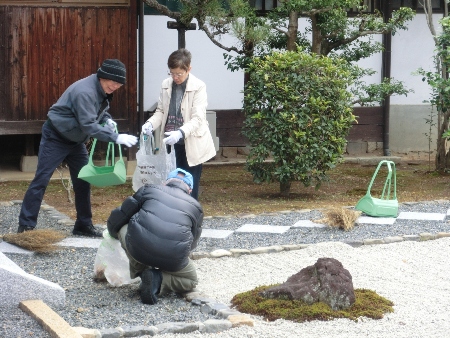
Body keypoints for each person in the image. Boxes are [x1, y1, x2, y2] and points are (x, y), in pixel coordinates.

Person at [18, 59, 138, 237]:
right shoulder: (85, 91)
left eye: (119, 83)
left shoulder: (100, 89)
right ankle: (26, 227)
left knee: (83, 180)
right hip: (56, 136)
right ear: (102, 77)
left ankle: (83, 225)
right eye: (113, 82)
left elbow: (98, 112)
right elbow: (89, 125)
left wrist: (107, 120)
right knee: (41, 180)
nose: (115, 86)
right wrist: (116, 137)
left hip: (76, 140)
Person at [107, 168, 203, 305]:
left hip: (139, 249)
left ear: (165, 183)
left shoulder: (149, 189)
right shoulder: (196, 208)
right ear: (190, 191)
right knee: (191, 280)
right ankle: (157, 279)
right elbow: (193, 242)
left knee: (123, 227)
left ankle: (142, 271)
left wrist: (112, 232)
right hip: (173, 256)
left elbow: (121, 214)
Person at [141, 49, 216, 200]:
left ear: (189, 69)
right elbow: (161, 111)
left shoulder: (199, 86)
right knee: (171, 184)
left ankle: (190, 219)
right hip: (170, 142)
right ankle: (174, 219)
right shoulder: (166, 84)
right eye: (171, 73)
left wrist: (180, 132)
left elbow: (198, 118)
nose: (175, 77)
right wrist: (149, 124)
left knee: (189, 186)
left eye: (179, 74)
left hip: (191, 143)